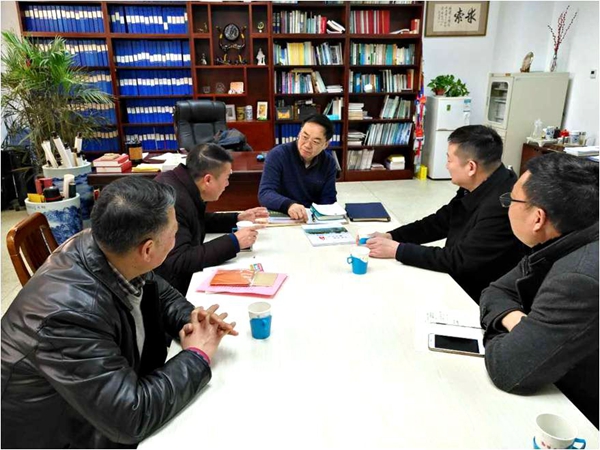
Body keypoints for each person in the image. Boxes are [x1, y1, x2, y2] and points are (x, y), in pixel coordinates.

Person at [1, 177, 238, 448]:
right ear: (147, 249)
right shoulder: (67, 318)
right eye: (174, 234)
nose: (177, 240)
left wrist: (192, 320)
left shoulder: (106, 244)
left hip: (92, 404)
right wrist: (197, 355)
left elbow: (157, 289)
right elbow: (131, 417)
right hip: (55, 435)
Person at [480, 153, 599, 427]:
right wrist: (517, 321)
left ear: (537, 218)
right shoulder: (565, 235)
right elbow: (496, 290)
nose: (506, 206)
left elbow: (508, 369)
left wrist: (519, 334)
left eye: (511, 200)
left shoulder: (578, 279)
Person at [365, 125, 527, 302]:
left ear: (471, 167)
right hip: (461, 276)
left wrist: (398, 250)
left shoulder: (502, 205)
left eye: (449, 160)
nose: (446, 166)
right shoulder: (481, 182)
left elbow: (460, 260)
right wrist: (392, 236)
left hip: (480, 295)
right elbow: (440, 222)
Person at [155, 143, 268, 295]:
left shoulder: (181, 183)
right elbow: (179, 260)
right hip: (165, 291)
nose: (227, 184)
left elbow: (196, 221)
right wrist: (234, 242)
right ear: (208, 180)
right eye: (226, 178)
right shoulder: (174, 200)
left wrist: (237, 218)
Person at [258, 114, 338, 221]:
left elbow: (328, 200)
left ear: (325, 144)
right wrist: (289, 205)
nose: (307, 145)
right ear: (299, 133)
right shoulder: (278, 155)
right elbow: (265, 193)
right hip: (282, 214)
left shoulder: (328, 162)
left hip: (310, 218)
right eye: (304, 137)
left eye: (315, 142)